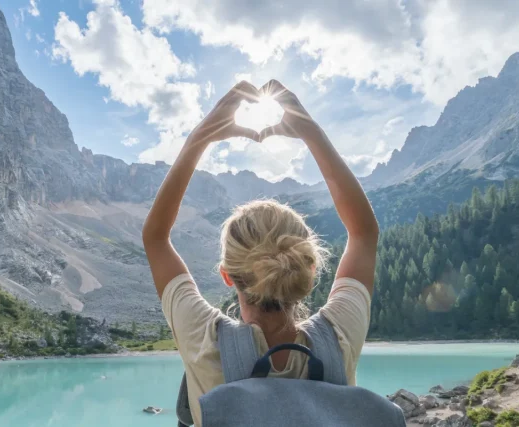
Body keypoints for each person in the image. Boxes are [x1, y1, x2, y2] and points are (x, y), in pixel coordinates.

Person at [142, 80, 379, 426]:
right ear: (309, 271)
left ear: (226, 276)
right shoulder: (339, 337)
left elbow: (155, 238)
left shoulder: (205, 341)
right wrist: (311, 133)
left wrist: (201, 137)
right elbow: (363, 233)